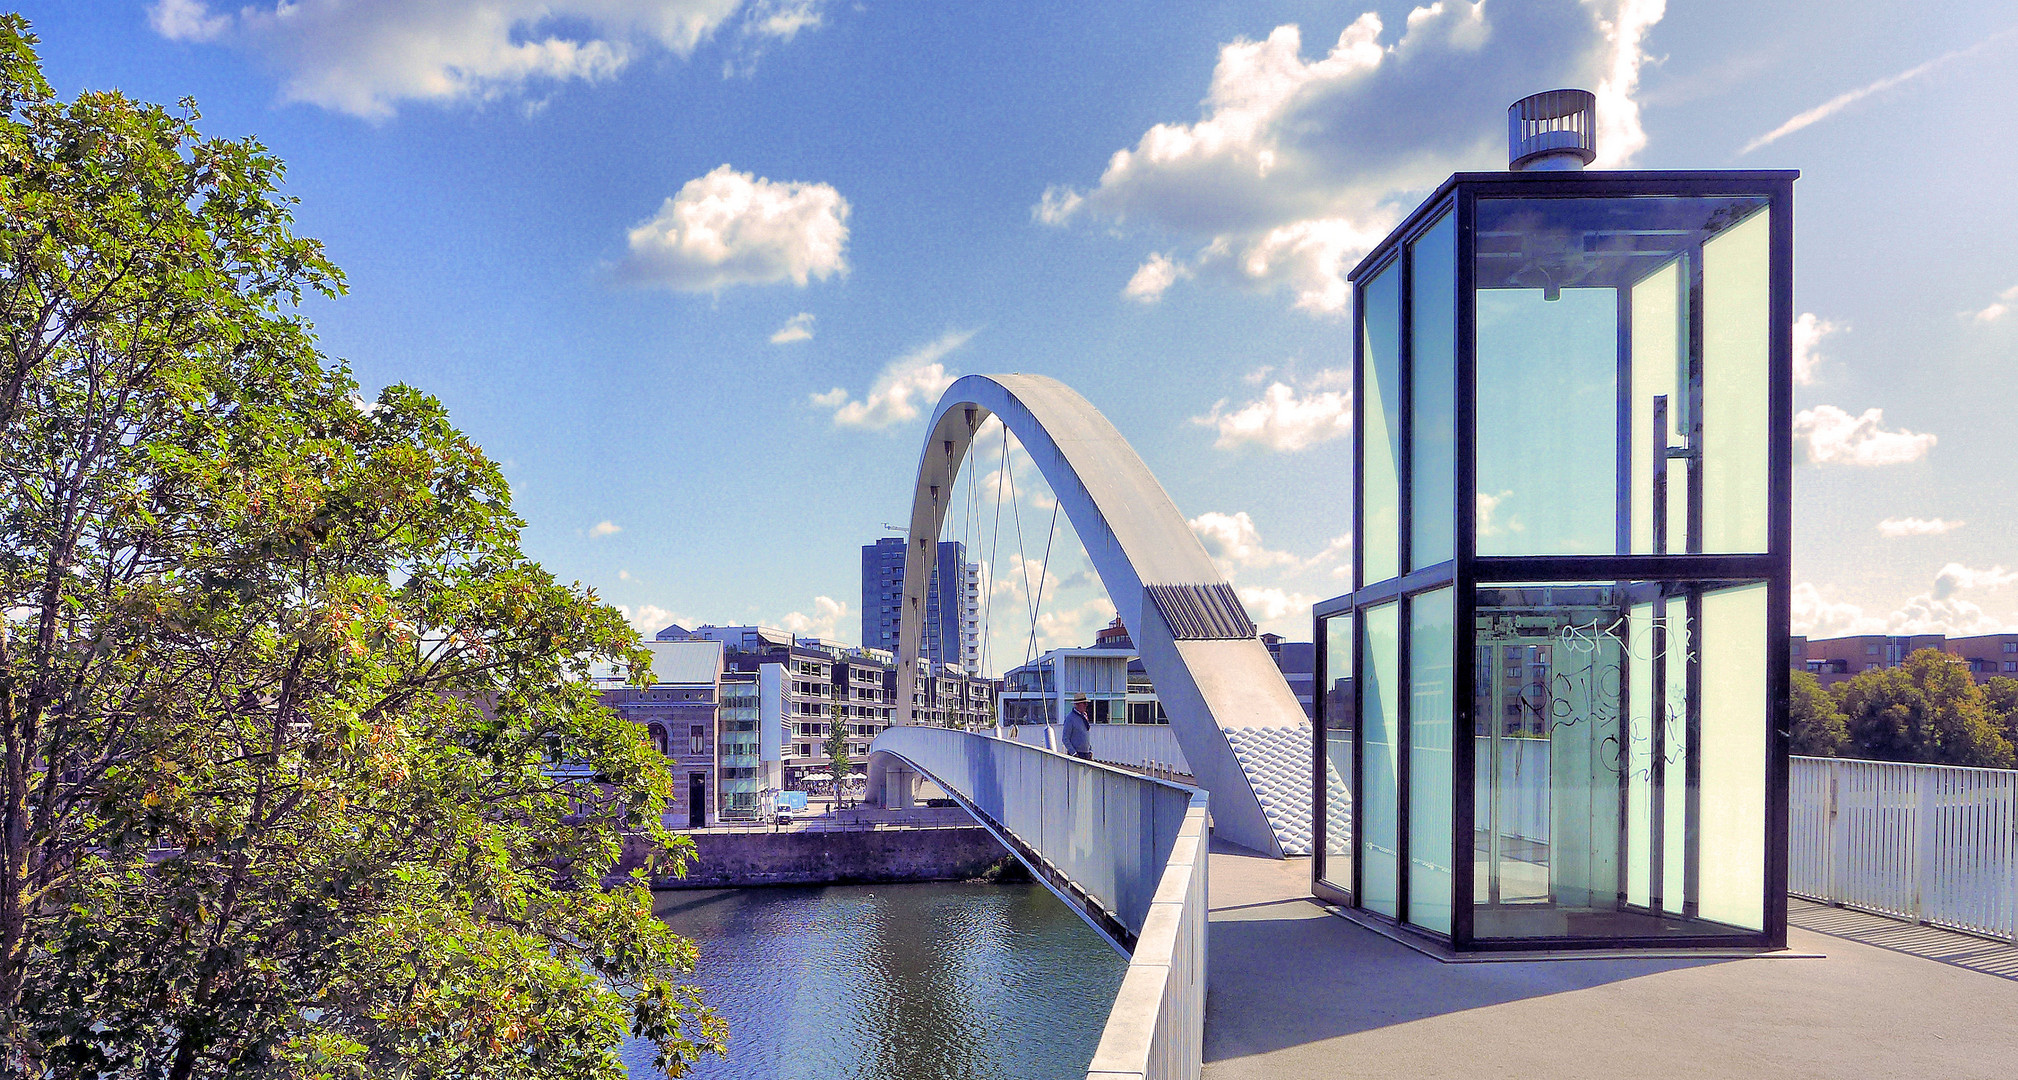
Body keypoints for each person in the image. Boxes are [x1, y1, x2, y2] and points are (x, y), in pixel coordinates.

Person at [1062, 693, 1095, 760]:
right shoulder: (1070, 718)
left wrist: (1090, 750)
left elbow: (1086, 735)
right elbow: (1065, 738)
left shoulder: (1084, 716)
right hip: (1077, 755)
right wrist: (1073, 753)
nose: (1086, 705)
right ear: (1077, 704)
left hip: (1086, 754)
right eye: (1084, 703)